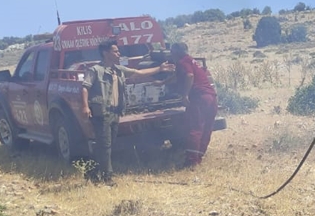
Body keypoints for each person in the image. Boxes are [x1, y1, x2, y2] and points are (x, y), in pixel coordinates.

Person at [80, 40, 172, 184]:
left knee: (107, 145)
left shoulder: (118, 70)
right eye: (115, 51)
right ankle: (107, 177)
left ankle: (92, 173)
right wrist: (85, 107)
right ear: (105, 53)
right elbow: (85, 87)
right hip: (102, 113)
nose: (119, 53)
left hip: (115, 112)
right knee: (105, 146)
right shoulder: (95, 70)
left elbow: (139, 72)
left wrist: (159, 69)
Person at [170, 42, 218, 168]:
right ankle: (199, 157)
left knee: (195, 129)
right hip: (211, 97)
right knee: (206, 128)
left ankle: (191, 161)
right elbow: (181, 76)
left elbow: (189, 76)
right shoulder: (192, 61)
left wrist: (185, 95)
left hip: (199, 98)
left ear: (176, 53)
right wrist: (162, 82)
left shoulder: (182, 62)